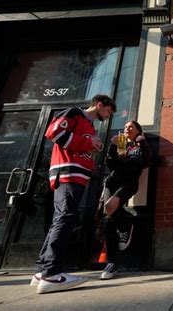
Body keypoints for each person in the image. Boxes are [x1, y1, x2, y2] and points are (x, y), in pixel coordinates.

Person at [31, 94, 116, 294]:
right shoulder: (75, 113)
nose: (108, 115)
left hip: (76, 175)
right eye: (107, 111)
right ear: (99, 104)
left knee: (61, 218)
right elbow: (54, 133)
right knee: (65, 218)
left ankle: (42, 271)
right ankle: (52, 274)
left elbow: (77, 146)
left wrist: (92, 148)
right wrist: (88, 144)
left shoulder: (89, 127)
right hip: (67, 173)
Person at [100, 120, 150, 280]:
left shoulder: (139, 145)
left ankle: (126, 225)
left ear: (137, 130)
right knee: (108, 221)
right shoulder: (122, 144)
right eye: (125, 127)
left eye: (131, 127)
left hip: (128, 183)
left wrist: (143, 145)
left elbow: (145, 162)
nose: (127, 129)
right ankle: (111, 263)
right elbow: (111, 164)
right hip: (112, 183)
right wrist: (113, 146)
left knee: (110, 207)